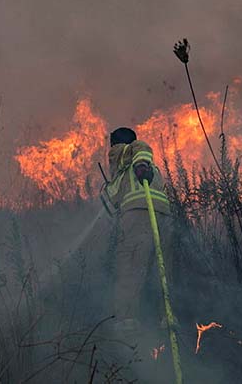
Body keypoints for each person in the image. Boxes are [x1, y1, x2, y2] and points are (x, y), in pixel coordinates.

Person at [100, 127, 173, 340]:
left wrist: (141, 163)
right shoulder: (146, 172)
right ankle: (166, 316)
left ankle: (127, 321)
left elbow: (140, 148)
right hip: (163, 217)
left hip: (137, 216)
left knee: (129, 267)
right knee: (163, 269)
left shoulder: (129, 153)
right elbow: (110, 201)